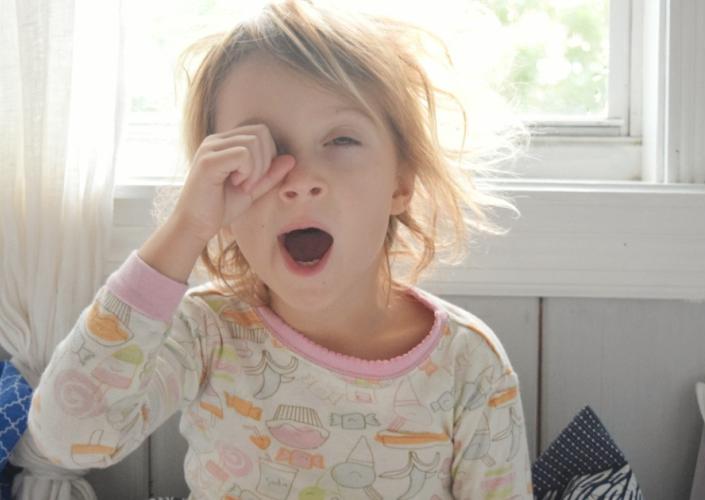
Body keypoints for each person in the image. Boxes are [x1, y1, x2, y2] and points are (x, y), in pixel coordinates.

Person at [28, 0, 533, 498]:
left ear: (400, 182)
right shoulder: (207, 332)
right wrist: (187, 226)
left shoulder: (468, 364)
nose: (302, 181)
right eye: (264, 148)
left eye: (340, 141)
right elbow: (68, 439)